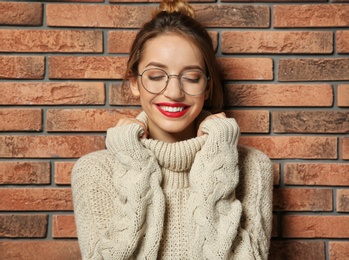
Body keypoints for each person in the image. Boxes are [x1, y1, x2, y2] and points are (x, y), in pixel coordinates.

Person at [71, 0, 273, 259]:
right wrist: (133, 161)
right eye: (156, 76)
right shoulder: (95, 172)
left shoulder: (253, 167)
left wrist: (218, 156)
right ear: (134, 83)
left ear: (208, 86)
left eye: (191, 78)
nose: (174, 92)